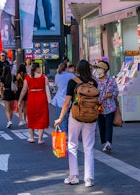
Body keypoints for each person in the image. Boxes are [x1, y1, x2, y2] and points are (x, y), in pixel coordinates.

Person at [54, 60, 97, 188]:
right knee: (88, 147)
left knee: (72, 145)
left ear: (77, 69)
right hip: (91, 117)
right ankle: (89, 178)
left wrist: (60, 118)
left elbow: (67, 102)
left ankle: (74, 176)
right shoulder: (93, 83)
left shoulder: (73, 82)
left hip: (76, 116)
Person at [18, 62, 50, 143]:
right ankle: (40, 139)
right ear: (37, 68)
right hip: (42, 97)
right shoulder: (44, 77)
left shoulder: (27, 78)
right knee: (42, 117)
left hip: (32, 98)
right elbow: (48, 87)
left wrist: (20, 100)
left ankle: (31, 137)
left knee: (31, 116)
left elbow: (24, 90)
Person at [94, 60, 119, 153]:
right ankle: (104, 142)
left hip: (110, 106)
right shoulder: (95, 81)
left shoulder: (111, 80)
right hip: (99, 107)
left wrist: (110, 95)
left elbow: (116, 91)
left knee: (108, 125)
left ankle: (108, 143)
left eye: (99, 68)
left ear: (104, 70)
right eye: (97, 69)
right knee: (101, 125)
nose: (97, 70)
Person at [51, 62, 74, 133]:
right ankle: (67, 135)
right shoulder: (71, 76)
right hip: (69, 99)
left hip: (59, 99)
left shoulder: (57, 75)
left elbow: (56, 86)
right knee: (67, 118)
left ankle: (64, 136)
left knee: (60, 118)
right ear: (66, 68)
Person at [0, 64, 18, 129]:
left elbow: (1, 87)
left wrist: (1, 94)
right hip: (12, 93)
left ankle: (9, 121)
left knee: (7, 109)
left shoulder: (3, 77)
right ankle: (10, 120)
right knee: (11, 109)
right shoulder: (13, 76)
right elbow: (16, 84)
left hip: (6, 92)